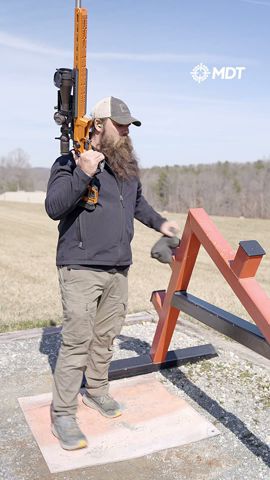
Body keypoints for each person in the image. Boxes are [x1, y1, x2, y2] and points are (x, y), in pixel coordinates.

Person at [45, 96, 179, 451]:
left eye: (128, 126)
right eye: (120, 125)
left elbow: (137, 204)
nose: (125, 131)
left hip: (118, 268)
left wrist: (160, 223)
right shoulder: (70, 162)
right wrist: (84, 172)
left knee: (105, 338)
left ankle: (98, 392)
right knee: (76, 341)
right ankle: (62, 415)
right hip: (80, 268)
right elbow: (54, 208)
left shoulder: (126, 167)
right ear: (99, 125)